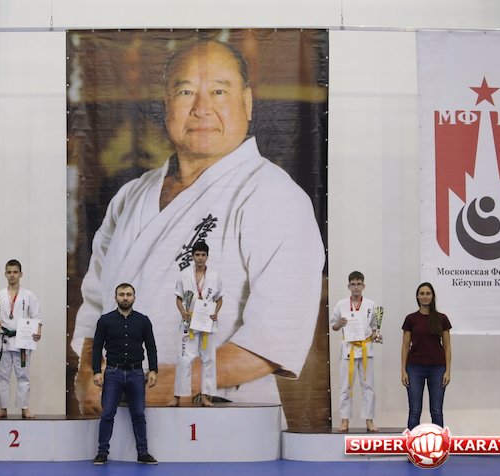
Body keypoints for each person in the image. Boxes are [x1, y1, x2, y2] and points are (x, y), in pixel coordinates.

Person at [73, 39, 324, 416]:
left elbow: (271, 342)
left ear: (247, 102)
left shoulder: (275, 195)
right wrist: (89, 375)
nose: (202, 108)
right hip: (118, 411)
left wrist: (147, 387)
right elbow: (95, 304)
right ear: (166, 104)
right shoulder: (131, 195)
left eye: (219, 91)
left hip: (221, 415)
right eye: (186, 91)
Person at [91, 283, 158, 465]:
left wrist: (153, 369)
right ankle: (102, 453)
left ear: (134, 297)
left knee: (139, 414)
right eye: (122, 294)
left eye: (129, 294)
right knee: (107, 414)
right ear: (116, 297)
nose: (125, 297)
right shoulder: (105, 320)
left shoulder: (143, 321)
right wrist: (96, 371)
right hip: (113, 373)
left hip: (137, 373)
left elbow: (151, 347)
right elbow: (96, 347)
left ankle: (143, 453)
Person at [168, 241, 223, 407]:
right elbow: (179, 298)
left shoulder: (214, 276)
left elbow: (219, 299)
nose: (200, 258)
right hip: (189, 321)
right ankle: (178, 396)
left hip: (207, 323)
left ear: (207, 256)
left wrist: (216, 312)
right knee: (184, 358)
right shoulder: (184, 275)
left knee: (209, 359)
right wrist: (182, 311)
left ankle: (206, 396)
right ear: (192, 256)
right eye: (197, 254)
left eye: (203, 255)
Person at [0, 259, 42, 419]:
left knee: (23, 376)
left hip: (22, 341)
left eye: (15, 272)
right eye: (9, 272)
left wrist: (38, 331)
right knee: (2, 377)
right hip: (4, 341)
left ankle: (24, 408)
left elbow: (37, 316)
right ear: (5, 274)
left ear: (20, 274)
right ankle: (3, 408)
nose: (12, 275)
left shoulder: (29, 296)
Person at [330, 271, 380, 433]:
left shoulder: (371, 304)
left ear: (363, 286)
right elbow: (334, 326)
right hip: (348, 350)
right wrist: (339, 324)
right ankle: (344, 420)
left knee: (368, 386)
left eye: (359, 284)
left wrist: (376, 335)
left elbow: (374, 327)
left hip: (366, 349)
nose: (356, 287)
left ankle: (369, 420)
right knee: (345, 386)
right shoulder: (341, 304)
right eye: (353, 284)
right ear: (348, 286)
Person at [401, 282, 452, 430]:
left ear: (433, 296)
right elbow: (405, 346)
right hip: (414, 368)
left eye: (428, 293)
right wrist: (403, 370)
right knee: (414, 410)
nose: (425, 296)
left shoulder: (442, 318)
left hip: (438, 368)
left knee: (436, 410)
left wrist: (448, 371)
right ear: (417, 296)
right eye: (422, 293)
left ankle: (438, 442)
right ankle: (412, 443)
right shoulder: (411, 319)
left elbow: (447, 346)